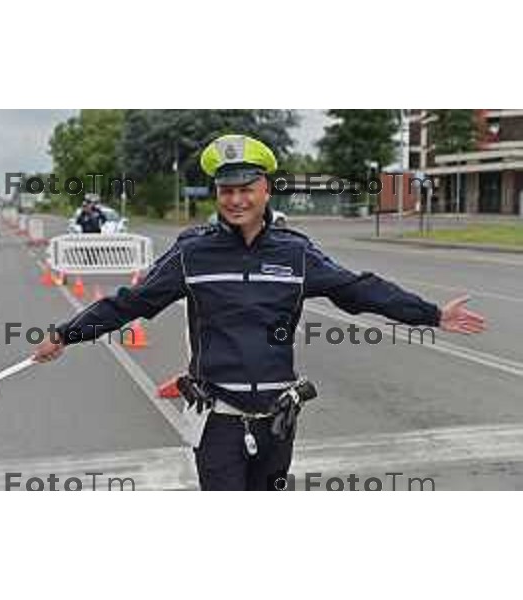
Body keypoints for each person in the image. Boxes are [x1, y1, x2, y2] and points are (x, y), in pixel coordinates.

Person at [33, 134, 487, 491]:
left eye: (246, 189)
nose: (236, 200)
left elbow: (359, 290)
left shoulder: (296, 253)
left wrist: (430, 314)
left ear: (266, 189)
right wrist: (67, 334)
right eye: (226, 190)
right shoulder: (192, 254)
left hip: (277, 421)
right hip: (218, 420)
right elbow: (131, 303)